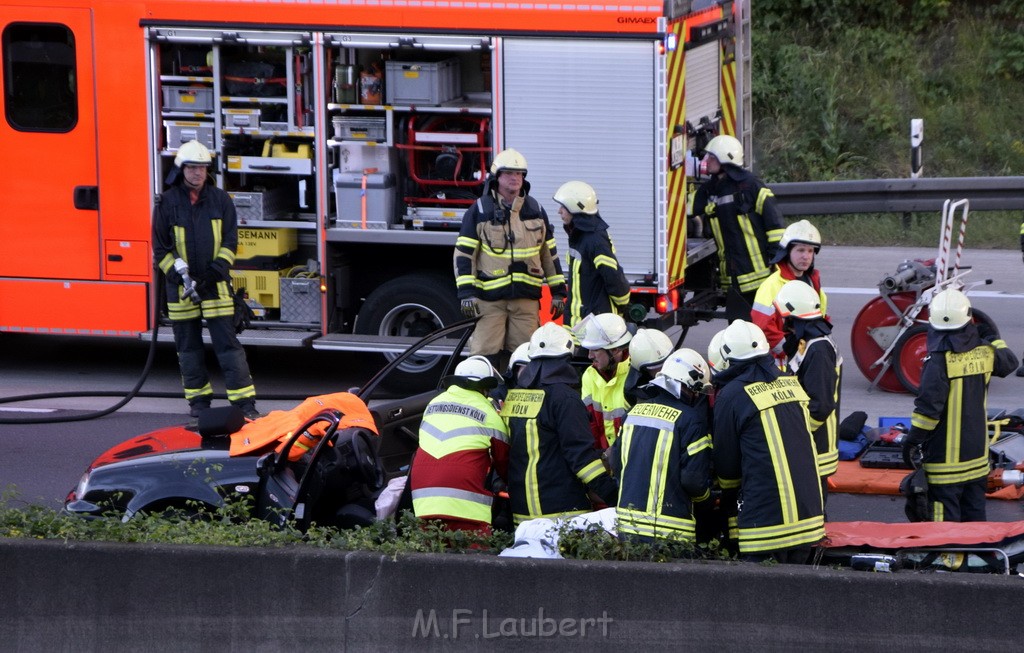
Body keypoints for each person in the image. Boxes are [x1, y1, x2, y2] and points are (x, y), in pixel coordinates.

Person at [152, 140, 259, 422]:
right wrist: (179, 276)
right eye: (192, 167)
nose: (197, 173)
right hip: (181, 290)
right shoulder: (166, 203)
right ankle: (199, 404)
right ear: (181, 170)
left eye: (202, 168)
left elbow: (230, 242)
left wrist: (213, 274)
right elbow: (161, 249)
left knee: (228, 347)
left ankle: (244, 405)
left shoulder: (221, 200)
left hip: (216, 286)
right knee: (188, 349)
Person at [710, 319, 824, 563]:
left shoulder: (731, 395)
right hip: (810, 519)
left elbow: (727, 468)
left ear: (728, 358)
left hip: (765, 526)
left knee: (757, 598)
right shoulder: (791, 383)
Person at [904, 288, 1018, 522]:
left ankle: (950, 560)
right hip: (977, 460)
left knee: (945, 532)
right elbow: (1010, 362)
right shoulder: (986, 352)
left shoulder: (937, 360)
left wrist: (912, 441)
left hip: (944, 466)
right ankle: (977, 558)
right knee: (976, 524)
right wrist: (992, 336)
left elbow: (928, 410)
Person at [453, 149, 567, 366]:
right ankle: (485, 397)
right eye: (509, 173)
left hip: (526, 301)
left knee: (525, 356)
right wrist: (467, 292)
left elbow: (548, 254)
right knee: (484, 355)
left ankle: (517, 397)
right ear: (497, 177)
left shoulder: (535, 210)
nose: (515, 178)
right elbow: (464, 254)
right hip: (489, 300)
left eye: (519, 174)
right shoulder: (479, 211)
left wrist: (558, 292)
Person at [500, 322, 618, 525]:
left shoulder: (515, 397)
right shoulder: (565, 399)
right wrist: (615, 495)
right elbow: (582, 459)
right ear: (567, 356)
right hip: (562, 514)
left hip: (522, 515)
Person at [612, 348, 713, 544]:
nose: (695, 396)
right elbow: (694, 481)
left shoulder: (632, 414)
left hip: (627, 528)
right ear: (688, 385)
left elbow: (616, 465)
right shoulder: (690, 420)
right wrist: (708, 501)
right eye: (696, 391)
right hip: (671, 532)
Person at [409, 356, 510, 535]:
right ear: (484, 387)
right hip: (467, 506)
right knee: (473, 558)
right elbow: (505, 462)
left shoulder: (434, 403)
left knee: (429, 559)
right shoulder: (488, 412)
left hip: (424, 501)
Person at [691, 135, 786, 321]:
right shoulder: (711, 189)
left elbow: (775, 225)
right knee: (738, 330)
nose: (706, 162)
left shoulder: (751, 186)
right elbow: (687, 206)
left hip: (757, 276)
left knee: (761, 327)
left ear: (724, 160)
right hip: (732, 278)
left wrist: (776, 259)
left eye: (711, 157)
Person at [774, 280, 842, 505]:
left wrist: (800, 436)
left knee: (813, 507)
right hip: (809, 441)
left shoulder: (818, 350)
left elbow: (820, 406)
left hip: (816, 443)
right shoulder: (806, 342)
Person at [552, 181, 631, 328]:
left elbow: (613, 277)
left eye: (563, 207)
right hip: (580, 325)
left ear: (575, 207)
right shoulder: (579, 236)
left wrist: (623, 305)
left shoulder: (594, 240)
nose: (559, 211)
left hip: (595, 325)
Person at [751, 220, 828, 365]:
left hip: (806, 355)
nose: (806, 256)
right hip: (781, 363)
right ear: (787, 251)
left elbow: (820, 318)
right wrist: (789, 351)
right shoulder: (772, 285)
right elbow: (763, 326)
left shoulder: (813, 281)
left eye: (810, 251)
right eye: (800, 250)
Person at [576, 313, 633, 450]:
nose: (590, 356)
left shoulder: (634, 376)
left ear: (614, 349)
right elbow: (591, 425)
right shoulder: (589, 375)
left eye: (595, 350)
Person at [623, 327, 674, 406]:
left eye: (666, 362)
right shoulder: (636, 394)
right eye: (655, 368)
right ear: (643, 371)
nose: (662, 370)